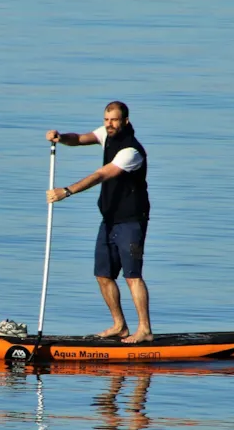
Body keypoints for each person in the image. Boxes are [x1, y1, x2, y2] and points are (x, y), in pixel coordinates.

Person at [45, 101, 153, 343]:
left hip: (131, 221)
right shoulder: (106, 134)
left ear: (125, 121)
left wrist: (67, 191)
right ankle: (120, 326)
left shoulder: (131, 151)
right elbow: (80, 138)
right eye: (106, 120)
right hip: (109, 219)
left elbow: (101, 174)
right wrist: (61, 137)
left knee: (132, 276)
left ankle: (144, 329)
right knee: (103, 275)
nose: (109, 124)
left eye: (114, 120)